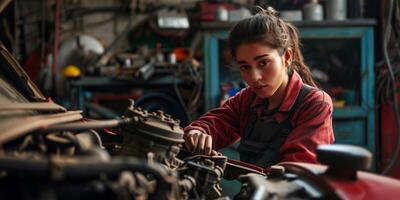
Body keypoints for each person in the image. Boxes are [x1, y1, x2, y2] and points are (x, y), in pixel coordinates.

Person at [183, 6, 334, 169]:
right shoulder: (247, 100)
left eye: (263, 63)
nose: (254, 77)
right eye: (245, 67)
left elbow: (298, 169)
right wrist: (198, 132)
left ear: (287, 57)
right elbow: (218, 122)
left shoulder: (315, 104)